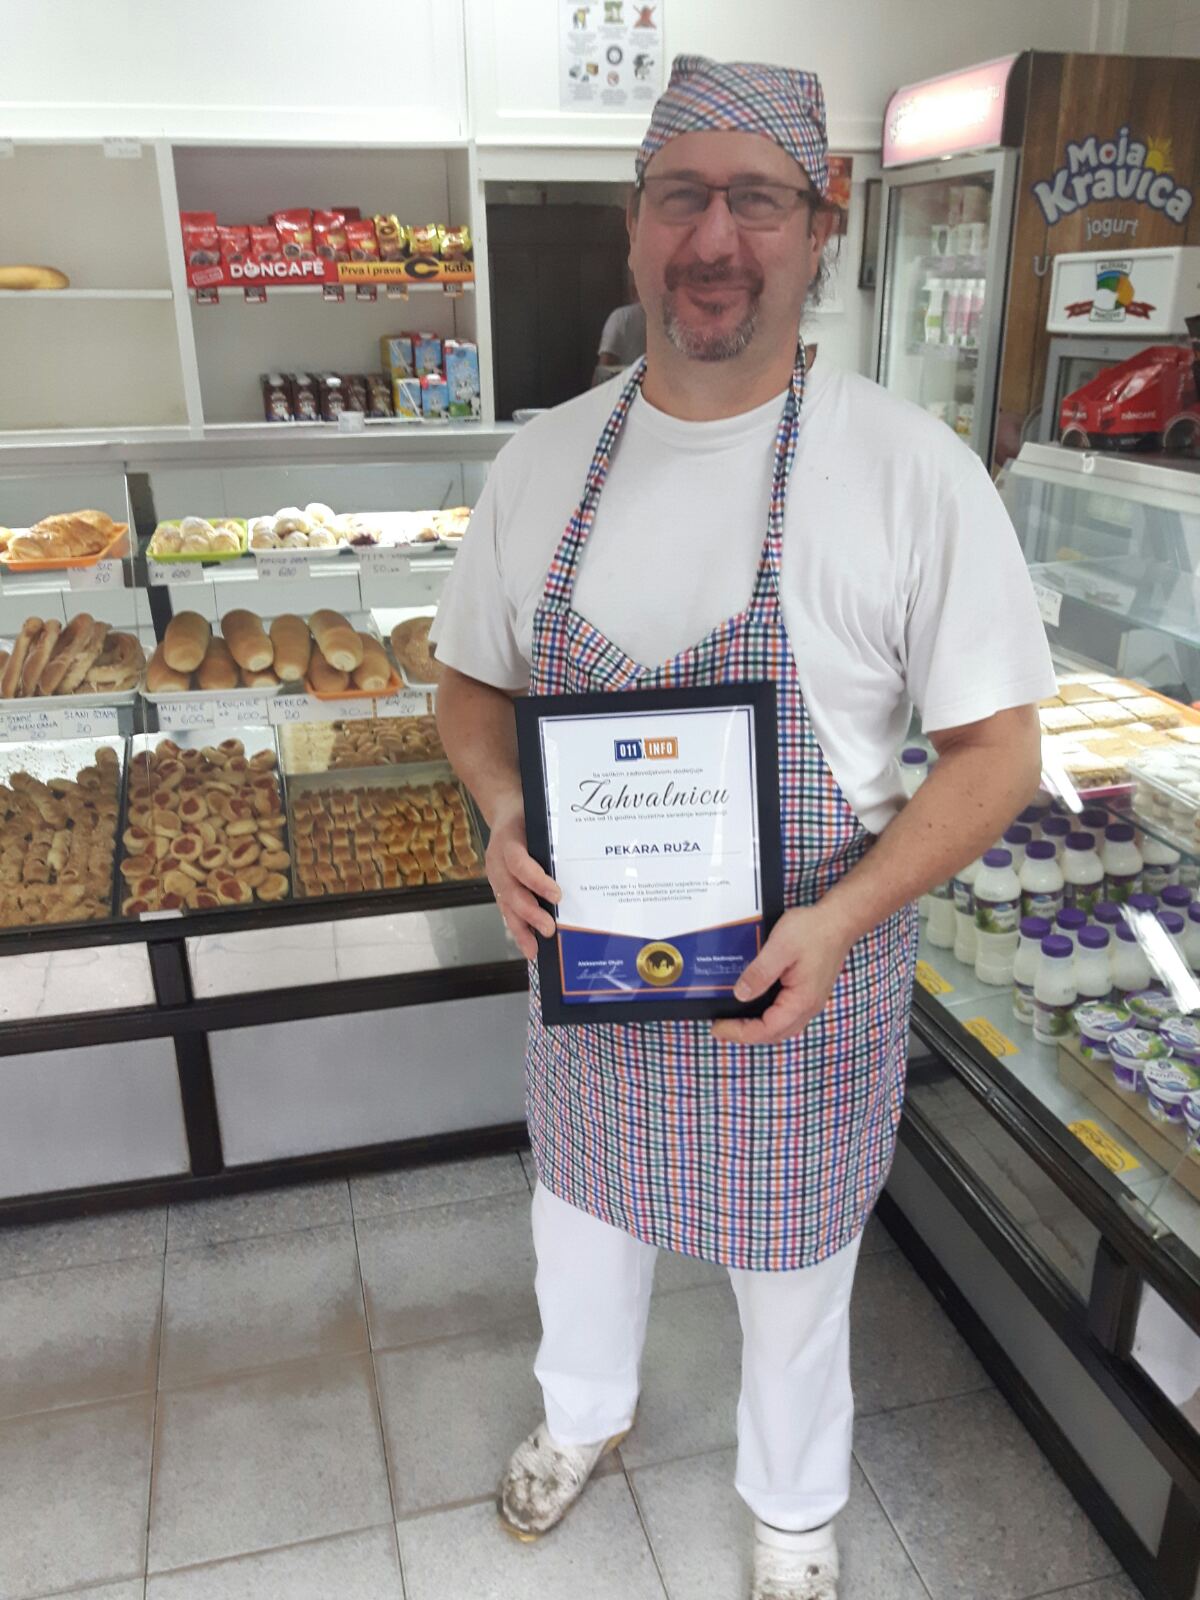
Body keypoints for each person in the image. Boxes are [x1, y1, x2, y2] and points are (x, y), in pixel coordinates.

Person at [432, 53, 1053, 1600]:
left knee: (795, 1282)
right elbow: (468, 686)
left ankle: (792, 1514)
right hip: (591, 974)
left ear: (821, 224)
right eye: (683, 197)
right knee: (578, 1229)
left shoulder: (910, 473)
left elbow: (998, 758)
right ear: (634, 221)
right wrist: (504, 811)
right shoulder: (543, 461)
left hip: (803, 980)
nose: (716, 239)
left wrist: (841, 918)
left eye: (759, 200)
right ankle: (585, 1416)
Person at [594, 282, 647, 383]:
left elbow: (604, 368)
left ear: (633, 290)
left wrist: (594, 390)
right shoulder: (665, 320)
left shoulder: (621, 317)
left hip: (623, 386)